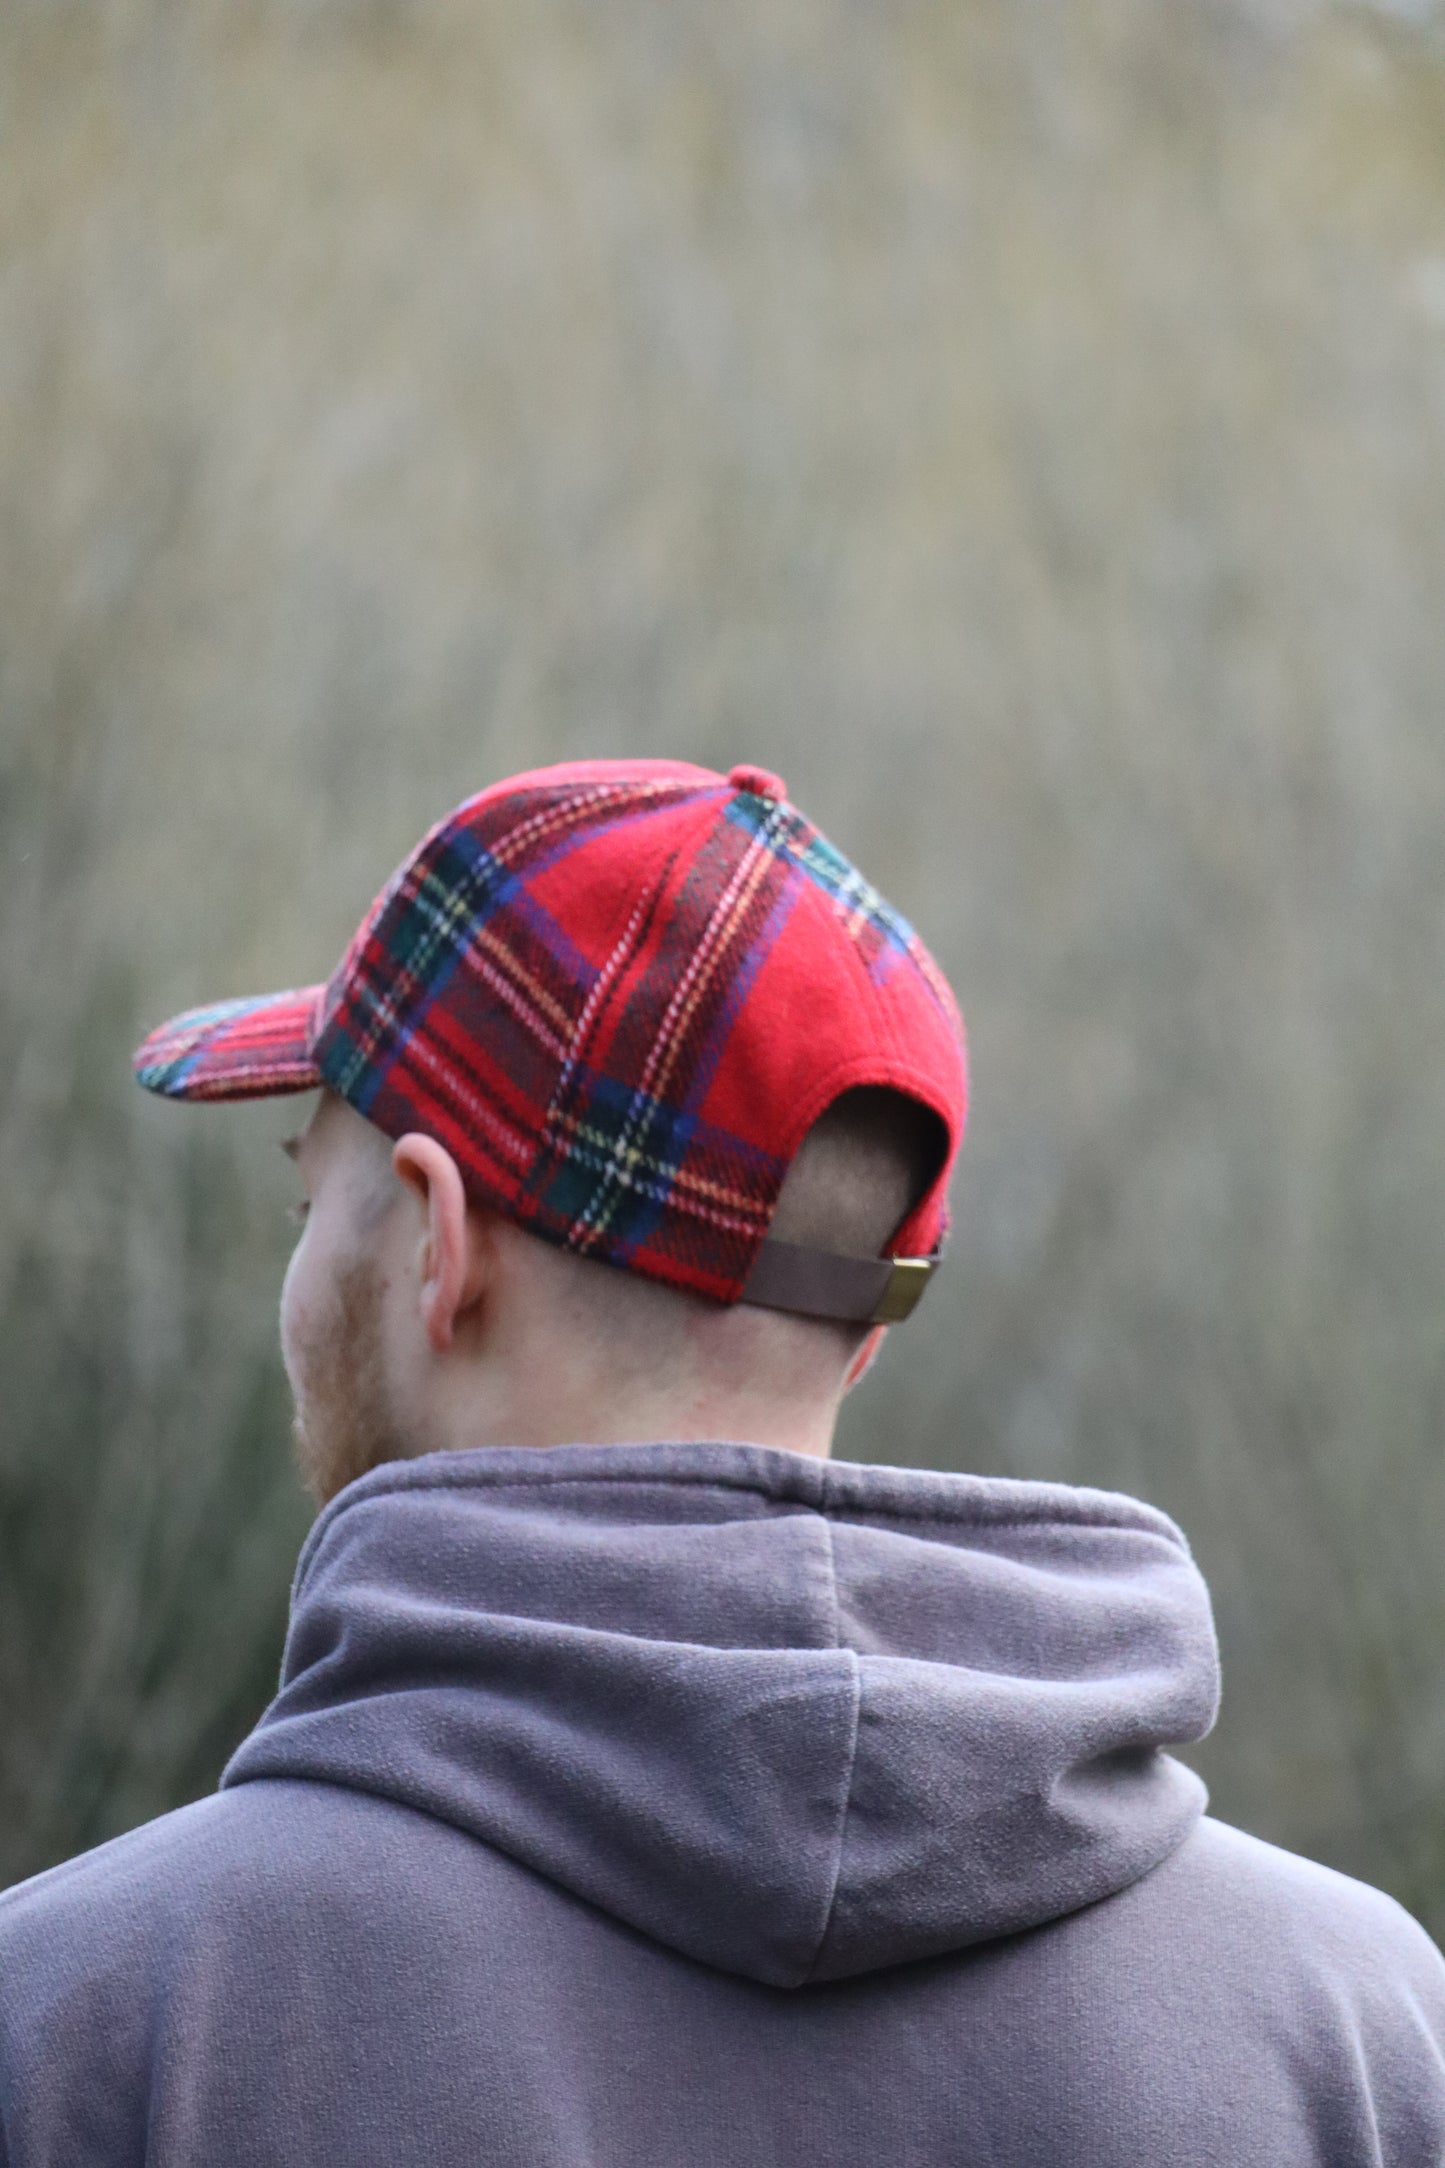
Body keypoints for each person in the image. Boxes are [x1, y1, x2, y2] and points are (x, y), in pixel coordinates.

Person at [1, 756, 1442, 2168]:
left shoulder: (90, 2036)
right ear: (861, 1333)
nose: (301, 1264)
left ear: (436, 1244)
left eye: (312, 1198)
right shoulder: (1362, 2038)